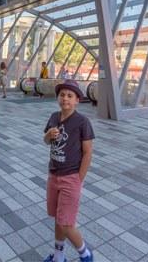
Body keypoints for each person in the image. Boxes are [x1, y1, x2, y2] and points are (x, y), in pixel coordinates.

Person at [43, 79, 95, 262]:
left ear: (77, 101)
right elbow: (46, 141)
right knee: (58, 218)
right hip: (53, 175)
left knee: (66, 222)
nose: (65, 98)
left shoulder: (82, 122)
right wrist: (48, 135)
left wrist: (78, 179)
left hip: (70, 177)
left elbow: (88, 153)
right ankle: (58, 256)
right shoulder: (54, 117)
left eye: (70, 96)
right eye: (62, 95)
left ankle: (85, 254)